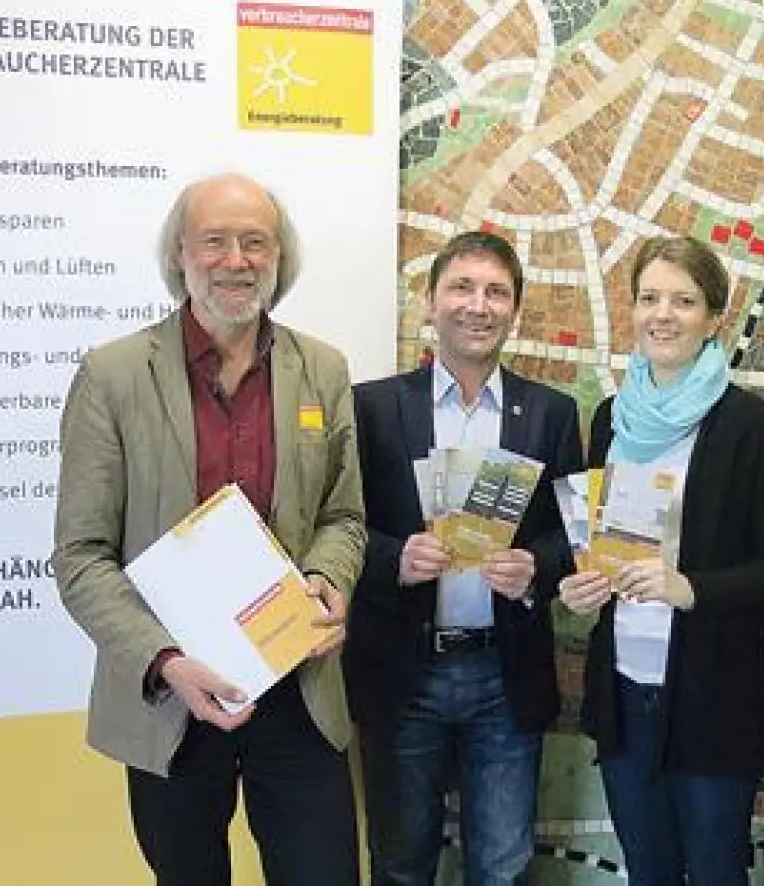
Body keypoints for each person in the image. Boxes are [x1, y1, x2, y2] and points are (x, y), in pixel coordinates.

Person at [52, 172, 365, 886]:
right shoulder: (114, 375)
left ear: (278, 257)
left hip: (299, 688)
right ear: (180, 256)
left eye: (256, 242)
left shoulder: (322, 369)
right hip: (174, 701)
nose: (237, 260)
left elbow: (343, 516)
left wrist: (325, 578)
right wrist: (165, 661)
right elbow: (80, 557)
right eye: (215, 241)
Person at [558, 235, 764, 886]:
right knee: (650, 874)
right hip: (625, 694)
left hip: (713, 698)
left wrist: (687, 588)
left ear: (714, 316)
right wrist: (584, 588)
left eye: (683, 301)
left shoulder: (750, 427)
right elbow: (601, 542)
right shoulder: (612, 419)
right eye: (649, 298)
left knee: (719, 874)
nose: (663, 315)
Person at [345, 230, 582, 885]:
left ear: (514, 309)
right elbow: (336, 529)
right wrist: (394, 557)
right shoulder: (373, 408)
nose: (478, 305)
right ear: (429, 301)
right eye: (461, 287)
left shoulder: (551, 414)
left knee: (502, 867)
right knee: (399, 863)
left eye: (496, 292)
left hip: (504, 674)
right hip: (403, 672)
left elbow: (573, 537)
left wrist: (537, 566)